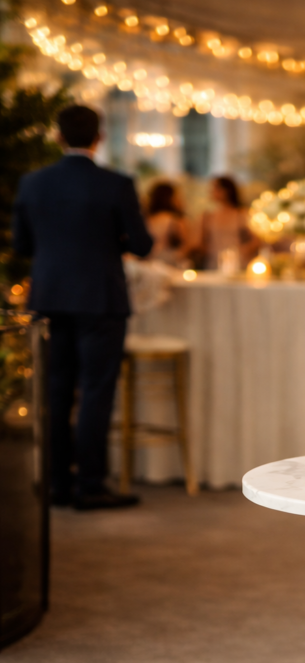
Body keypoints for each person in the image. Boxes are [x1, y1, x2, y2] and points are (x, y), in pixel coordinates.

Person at [13, 104, 153, 510]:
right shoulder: (116, 183)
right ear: (100, 137)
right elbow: (142, 245)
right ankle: (89, 486)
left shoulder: (33, 183)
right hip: (100, 298)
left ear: (58, 136)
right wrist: (112, 243)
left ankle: (56, 483)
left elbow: (22, 245)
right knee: (95, 391)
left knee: (55, 391)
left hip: (49, 299)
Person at [197, 176, 256, 270]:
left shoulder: (242, 214)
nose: (211, 191)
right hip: (213, 263)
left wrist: (242, 251)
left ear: (227, 191)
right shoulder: (207, 216)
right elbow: (201, 243)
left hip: (238, 262)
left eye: (215, 188)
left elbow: (256, 240)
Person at [145, 180, 191, 267]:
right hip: (169, 264)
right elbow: (186, 245)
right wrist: (176, 257)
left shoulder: (147, 219)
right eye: (176, 196)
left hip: (149, 262)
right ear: (170, 198)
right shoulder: (176, 220)